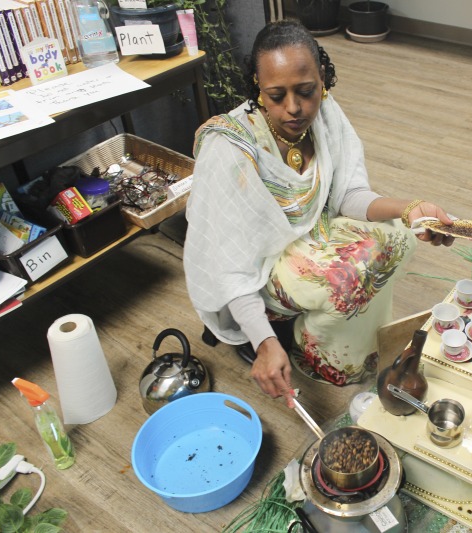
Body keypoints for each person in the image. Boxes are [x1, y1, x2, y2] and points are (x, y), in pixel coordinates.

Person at [184, 20, 454, 406]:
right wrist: (263, 343)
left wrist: (412, 209)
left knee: (398, 236)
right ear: (257, 88)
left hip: (310, 233)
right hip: (256, 266)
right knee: (347, 277)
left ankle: (353, 339)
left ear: (322, 78)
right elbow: (229, 266)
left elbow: (349, 194)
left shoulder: (324, 111)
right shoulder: (230, 149)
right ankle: (322, 359)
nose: (293, 108)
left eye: (306, 91)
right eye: (275, 96)